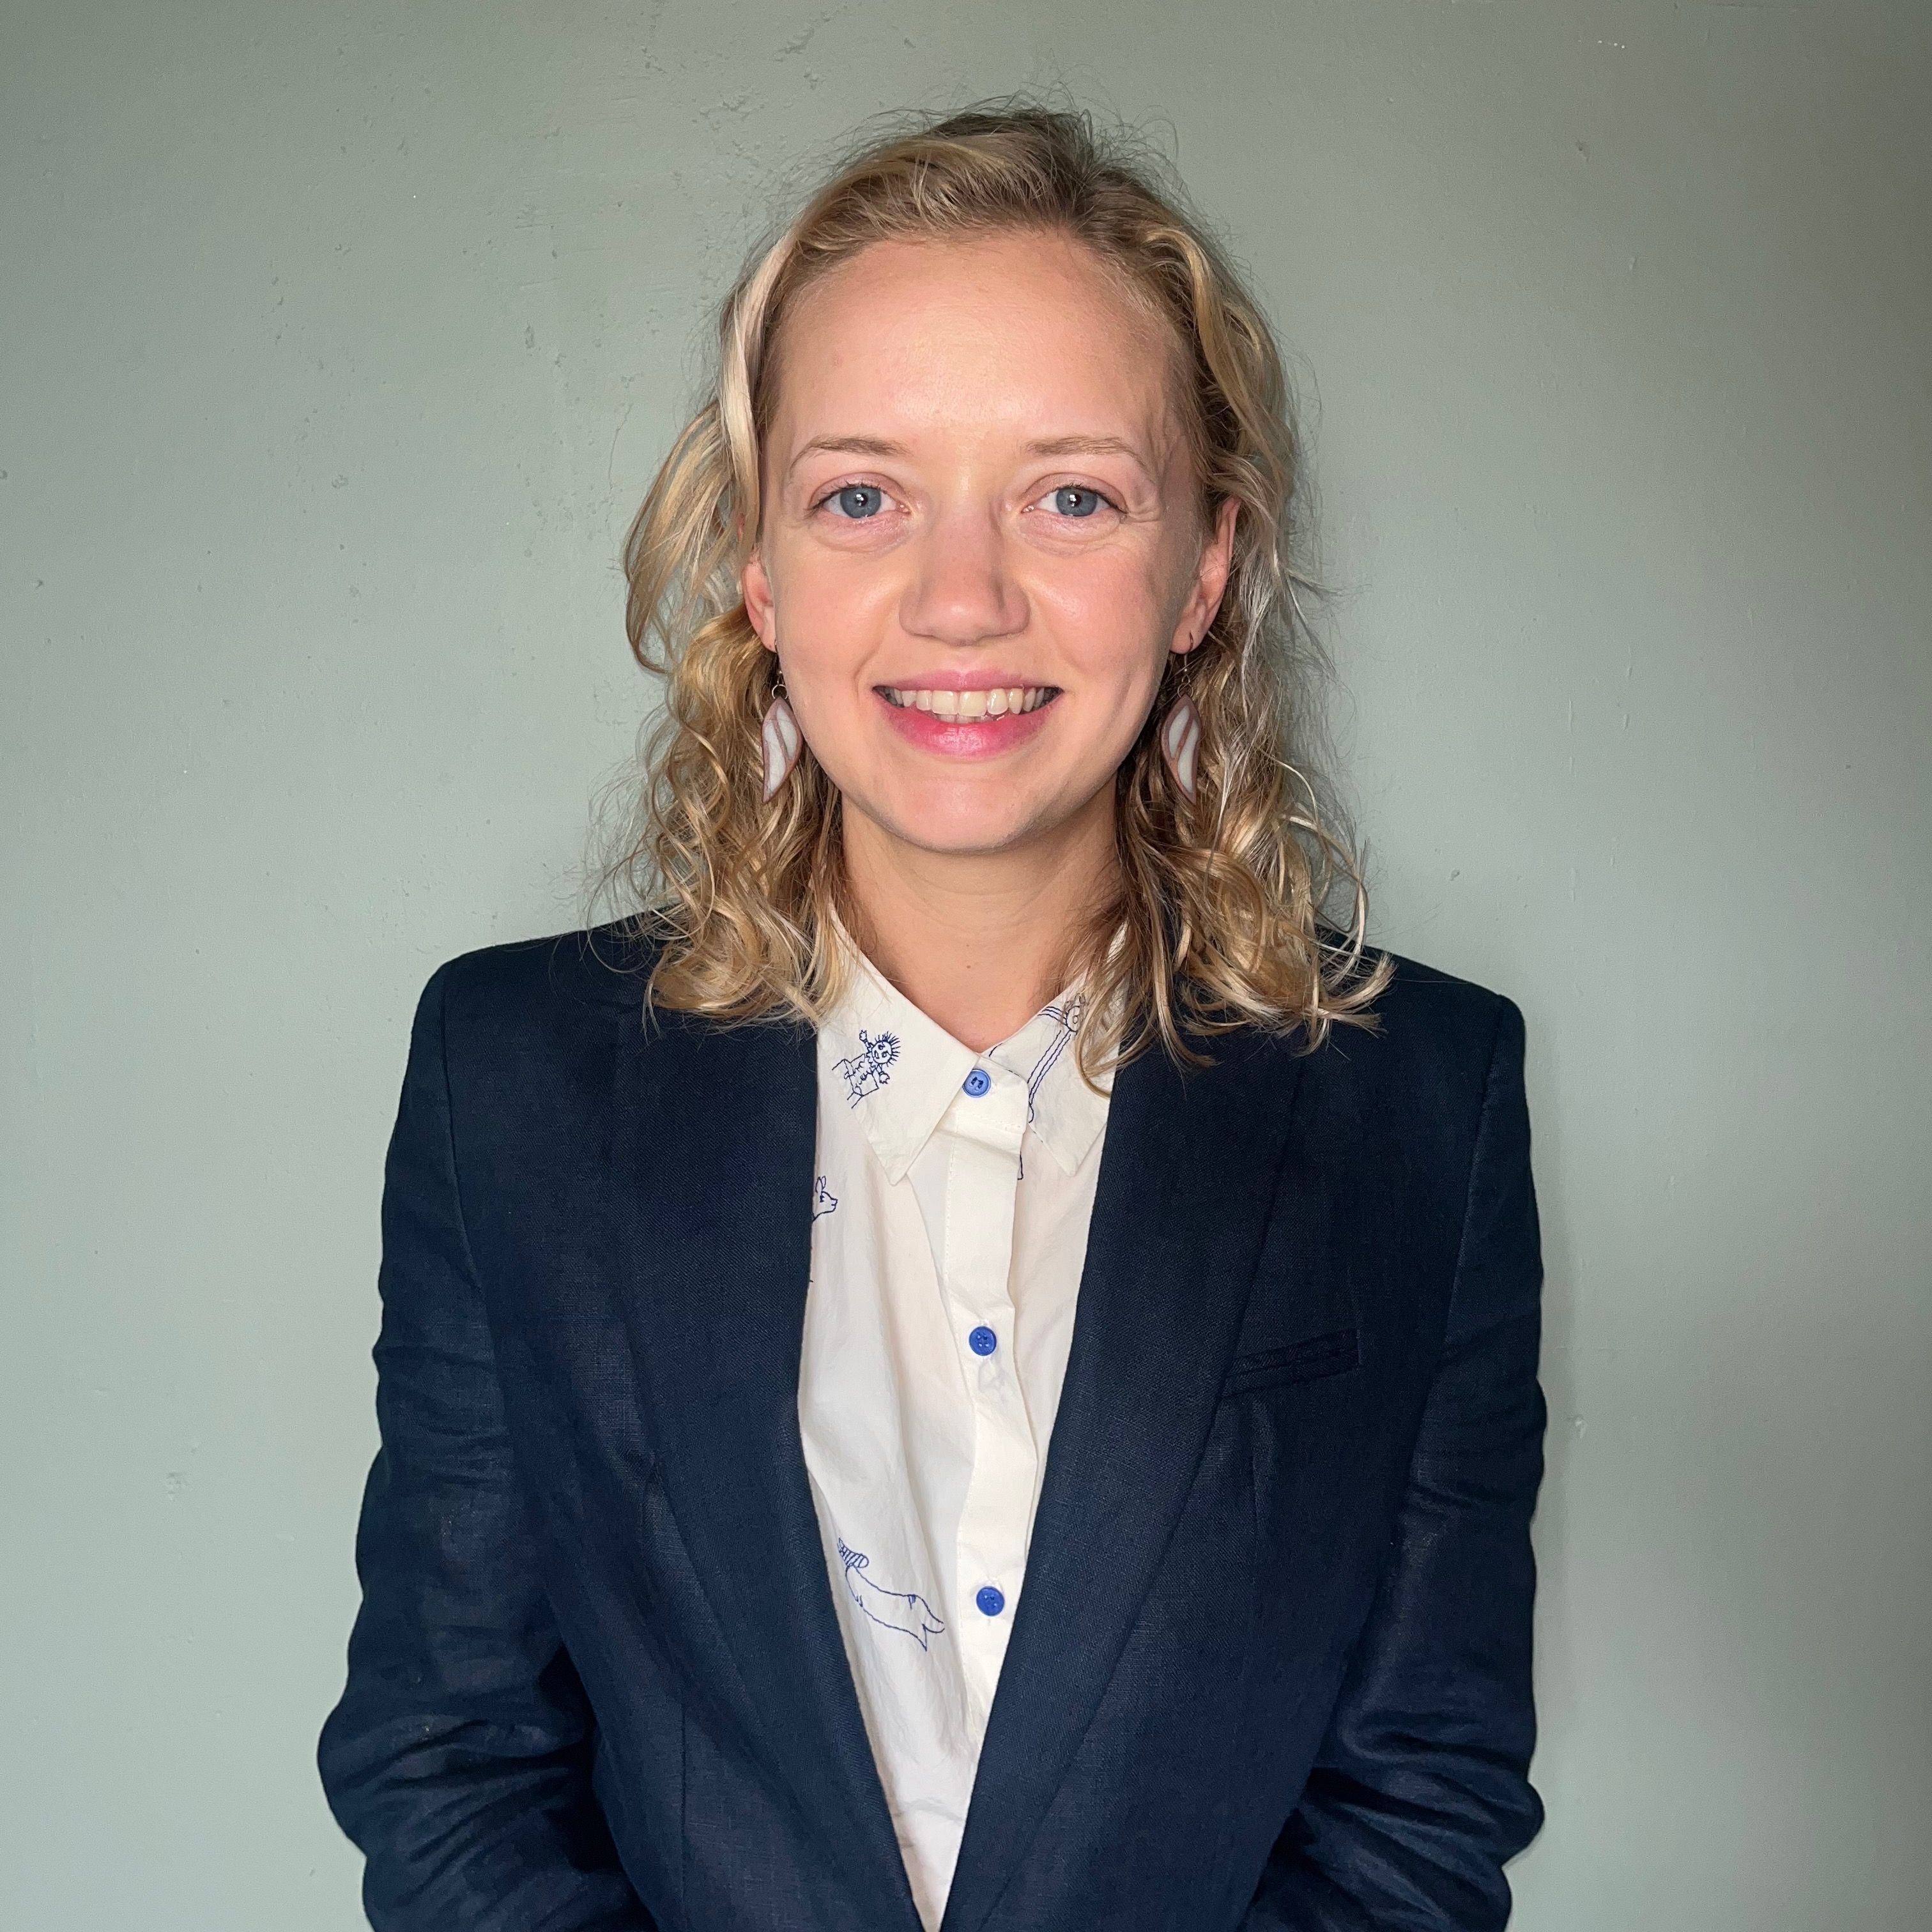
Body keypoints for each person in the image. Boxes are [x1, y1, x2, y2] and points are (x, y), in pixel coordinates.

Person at [318, 103, 1547, 1932]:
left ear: (1206, 565)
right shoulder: (512, 1082)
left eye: (1072, 495)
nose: (961, 602)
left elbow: (1418, 1797)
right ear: (760, 566)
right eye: (863, 496)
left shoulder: (1420, 1103)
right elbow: (454, 1765)